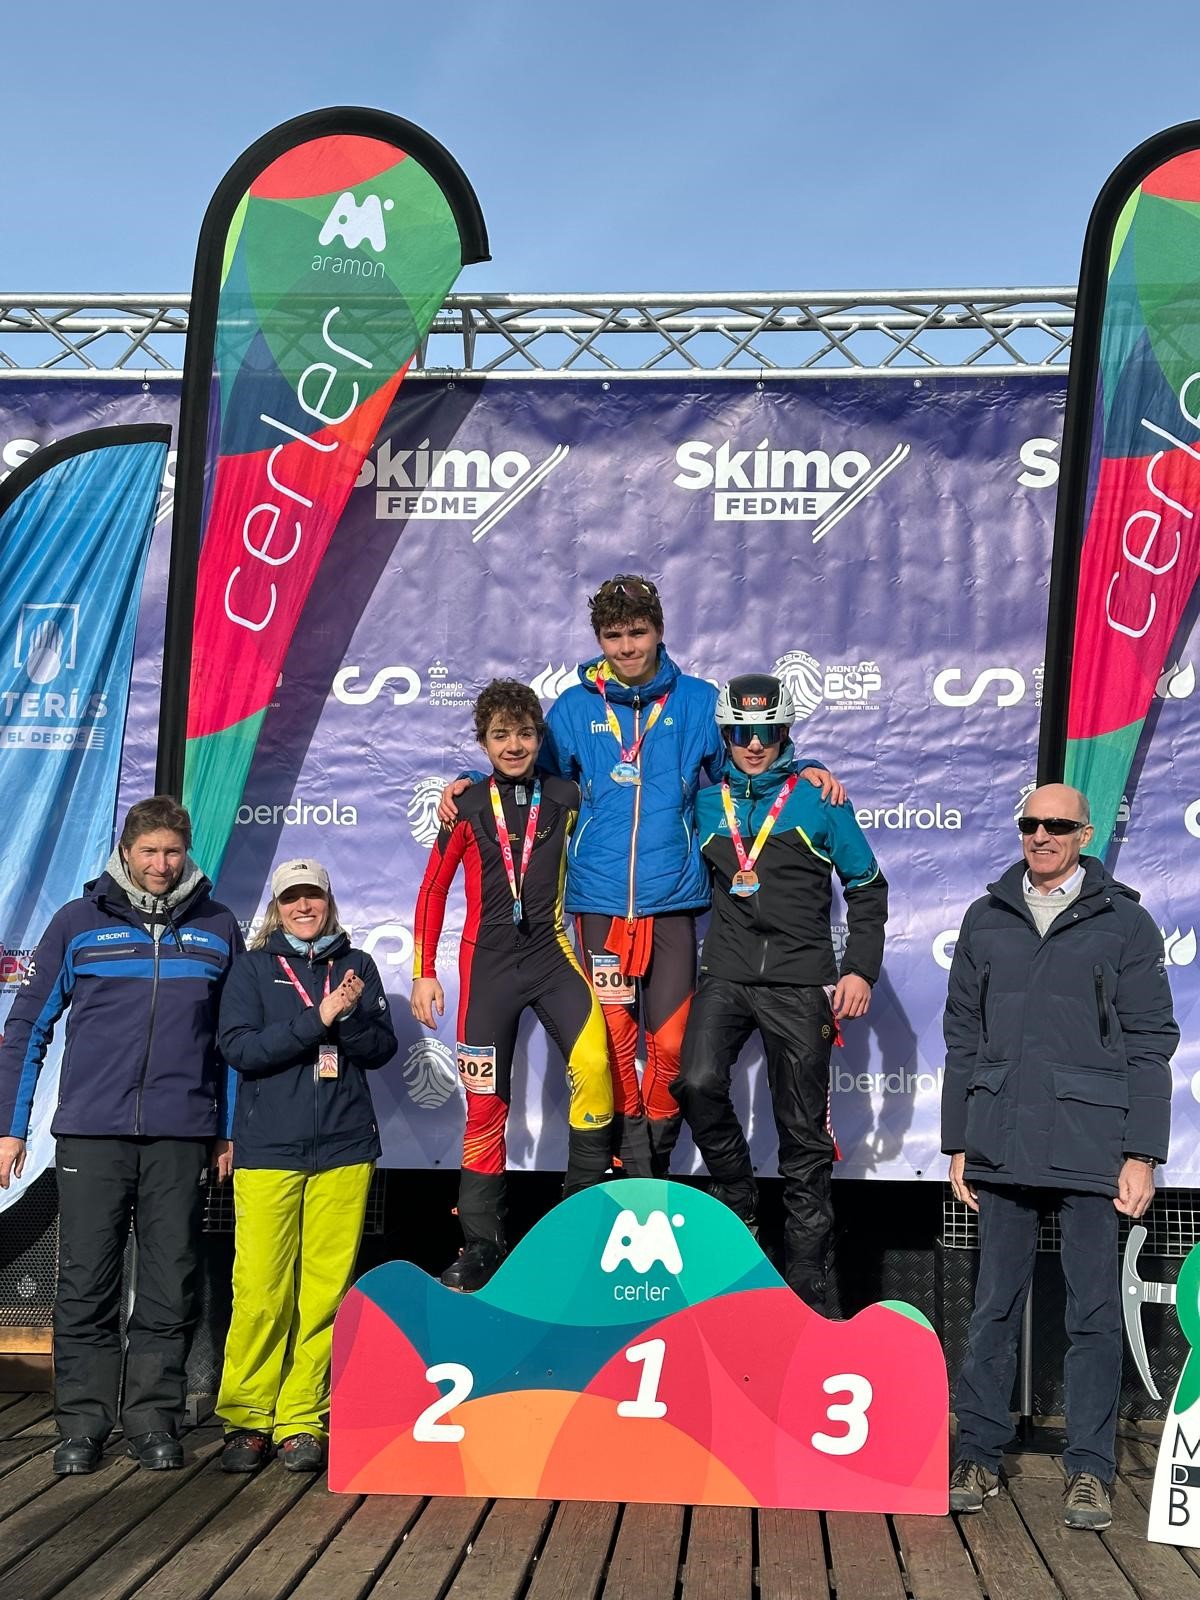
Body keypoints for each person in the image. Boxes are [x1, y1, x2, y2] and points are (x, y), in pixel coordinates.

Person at [439, 576, 844, 1179]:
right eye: (613, 636)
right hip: (600, 901)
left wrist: (803, 765)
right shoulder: (574, 708)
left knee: (673, 1046)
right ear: (599, 639)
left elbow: (744, 767)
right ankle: (624, 1169)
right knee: (613, 1044)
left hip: (672, 899)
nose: (627, 647)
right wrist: (472, 781)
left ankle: (650, 1160)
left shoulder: (697, 701)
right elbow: (526, 776)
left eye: (637, 632)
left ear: (658, 630)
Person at [942, 783, 1177, 1530]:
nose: (1040, 836)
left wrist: (1141, 1152)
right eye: (1030, 824)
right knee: (992, 1308)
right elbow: (962, 1036)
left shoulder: (1126, 922)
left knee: (1094, 1314)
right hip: (1002, 1139)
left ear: (1085, 834)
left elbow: (1151, 1043)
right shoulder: (985, 917)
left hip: (1091, 1142)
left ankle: (1090, 1471)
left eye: (1056, 825)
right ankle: (977, 1453)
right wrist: (958, 1140)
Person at [0, 795, 241, 1475]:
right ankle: (82, 1425)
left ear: (187, 853)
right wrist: (9, 1129)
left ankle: (153, 1418)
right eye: (149, 852)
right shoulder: (78, 922)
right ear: (126, 853)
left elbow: (231, 1043)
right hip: (92, 1133)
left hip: (180, 1135)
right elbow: (27, 1028)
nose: (161, 864)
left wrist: (225, 1130)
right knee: (86, 1283)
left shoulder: (218, 926)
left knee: (170, 1281)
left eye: (173, 852)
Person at [672, 674, 887, 1311]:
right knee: (696, 1082)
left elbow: (867, 886)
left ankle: (808, 1281)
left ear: (786, 731)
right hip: (727, 973)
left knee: (802, 1133)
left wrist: (860, 970)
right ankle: (738, 1198)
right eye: (741, 732)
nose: (754, 745)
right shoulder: (704, 803)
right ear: (724, 735)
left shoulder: (818, 799)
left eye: (767, 732)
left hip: (799, 980)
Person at [413, 679, 614, 1290]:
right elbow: (432, 890)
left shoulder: (566, 795)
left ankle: (582, 1229)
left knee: (595, 1063)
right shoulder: (468, 805)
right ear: (484, 742)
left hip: (552, 958)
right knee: (484, 1108)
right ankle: (481, 1246)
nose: (514, 745)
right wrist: (423, 972)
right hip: (487, 971)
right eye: (501, 735)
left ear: (538, 737)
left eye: (525, 733)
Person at [215, 857, 396, 1474]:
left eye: (311, 896)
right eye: (291, 898)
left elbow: (382, 1048)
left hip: (344, 1151)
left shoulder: (358, 964)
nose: (302, 907)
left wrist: (347, 1018)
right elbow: (241, 1049)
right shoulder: (252, 967)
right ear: (276, 907)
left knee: (323, 1294)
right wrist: (315, 1018)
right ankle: (248, 1418)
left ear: (328, 901)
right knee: (261, 1291)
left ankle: (302, 1419)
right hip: (269, 1151)